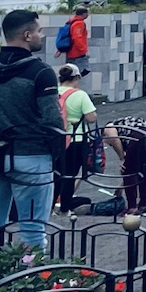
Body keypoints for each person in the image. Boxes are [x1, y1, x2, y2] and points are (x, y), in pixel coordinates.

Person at [0, 10, 60, 248]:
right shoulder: (41, 72)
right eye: (39, 31)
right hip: (32, 156)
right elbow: (52, 120)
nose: (42, 36)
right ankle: (33, 271)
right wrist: (55, 154)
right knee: (33, 229)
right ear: (27, 35)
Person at [54, 64, 98, 212]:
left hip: (56, 139)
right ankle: (65, 205)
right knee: (70, 175)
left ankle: (50, 204)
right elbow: (91, 118)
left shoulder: (53, 93)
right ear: (77, 77)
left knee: (56, 174)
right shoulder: (80, 95)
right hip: (76, 139)